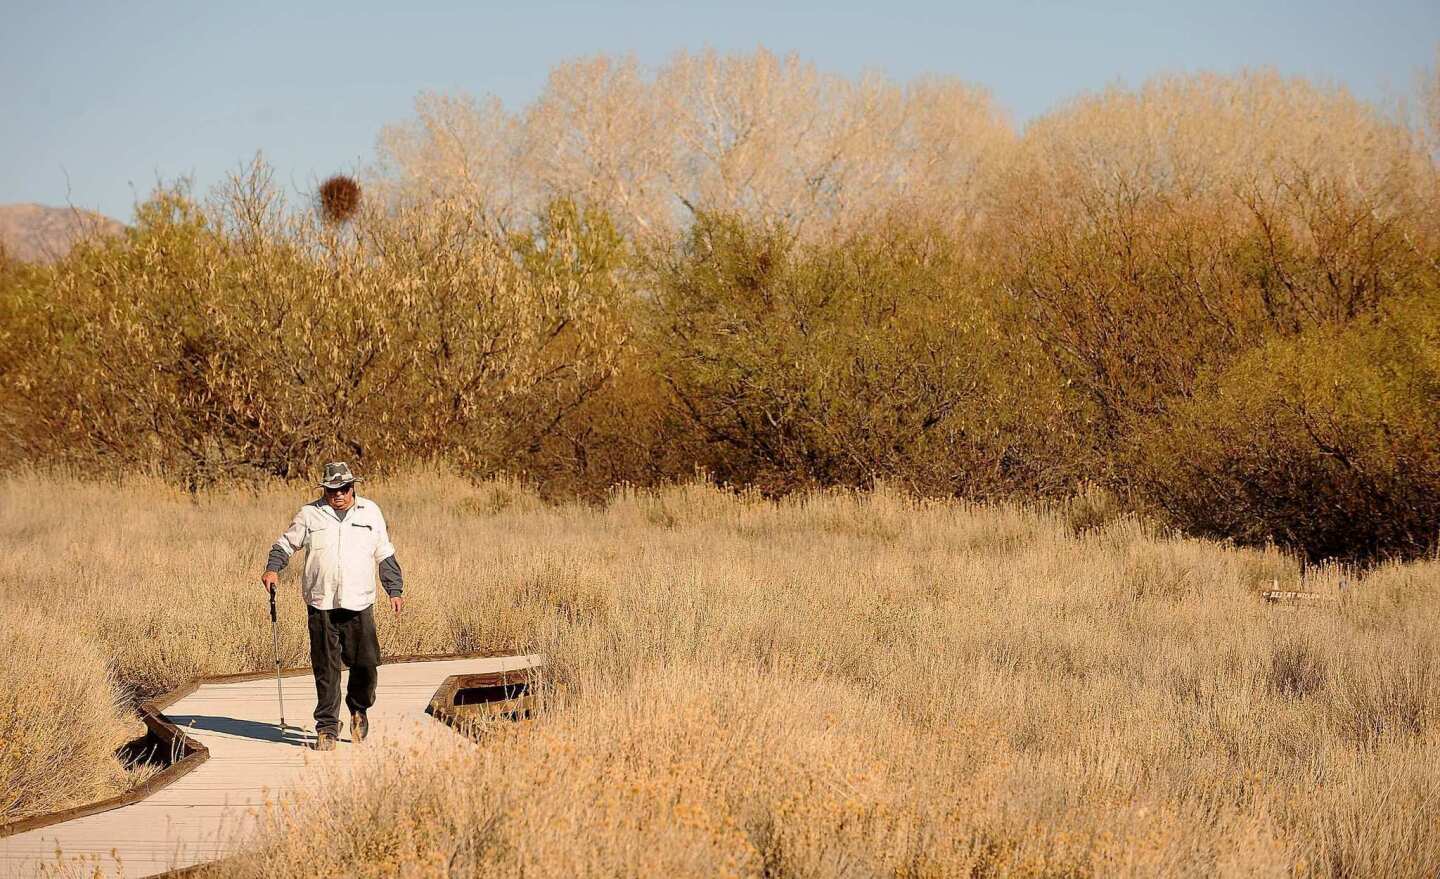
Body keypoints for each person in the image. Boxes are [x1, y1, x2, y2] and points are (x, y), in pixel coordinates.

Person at [260, 462, 404, 750]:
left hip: (359, 601)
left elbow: (384, 553)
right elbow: (285, 544)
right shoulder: (309, 514)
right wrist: (273, 569)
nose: (337, 494)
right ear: (324, 490)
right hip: (321, 602)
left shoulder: (370, 512)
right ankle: (327, 727)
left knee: (366, 664)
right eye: (331, 490)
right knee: (326, 668)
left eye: (343, 489)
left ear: (353, 488)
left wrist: (394, 589)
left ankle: (358, 709)